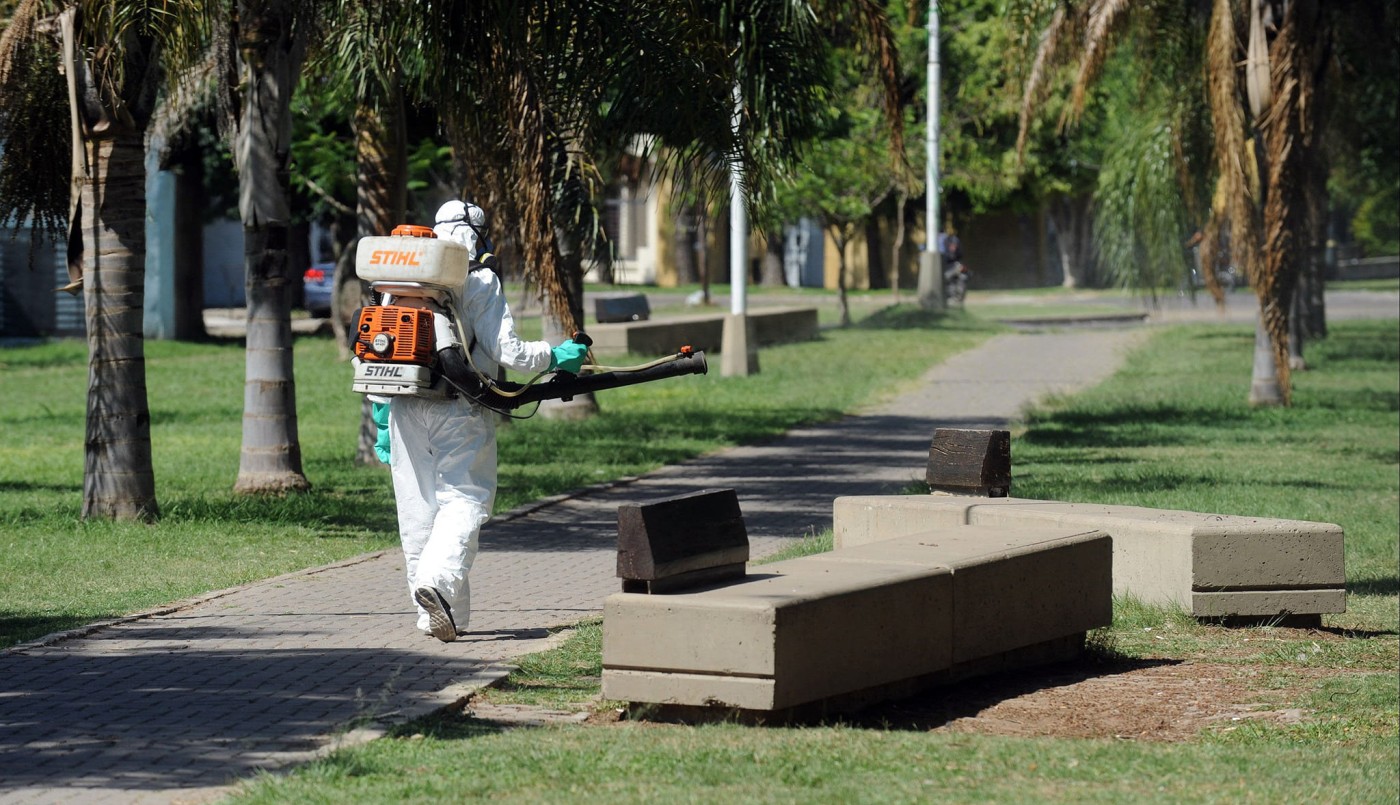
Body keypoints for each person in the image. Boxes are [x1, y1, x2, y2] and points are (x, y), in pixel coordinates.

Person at [371, 199, 588, 642]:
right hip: (459, 406)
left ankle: (441, 615)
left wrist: (380, 418)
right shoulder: (478, 279)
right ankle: (436, 582)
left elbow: (381, 352)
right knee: (466, 498)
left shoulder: (401, 279)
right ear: (477, 236)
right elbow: (509, 353)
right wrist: (557, 354)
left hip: (402, 408)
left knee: (418, 512)